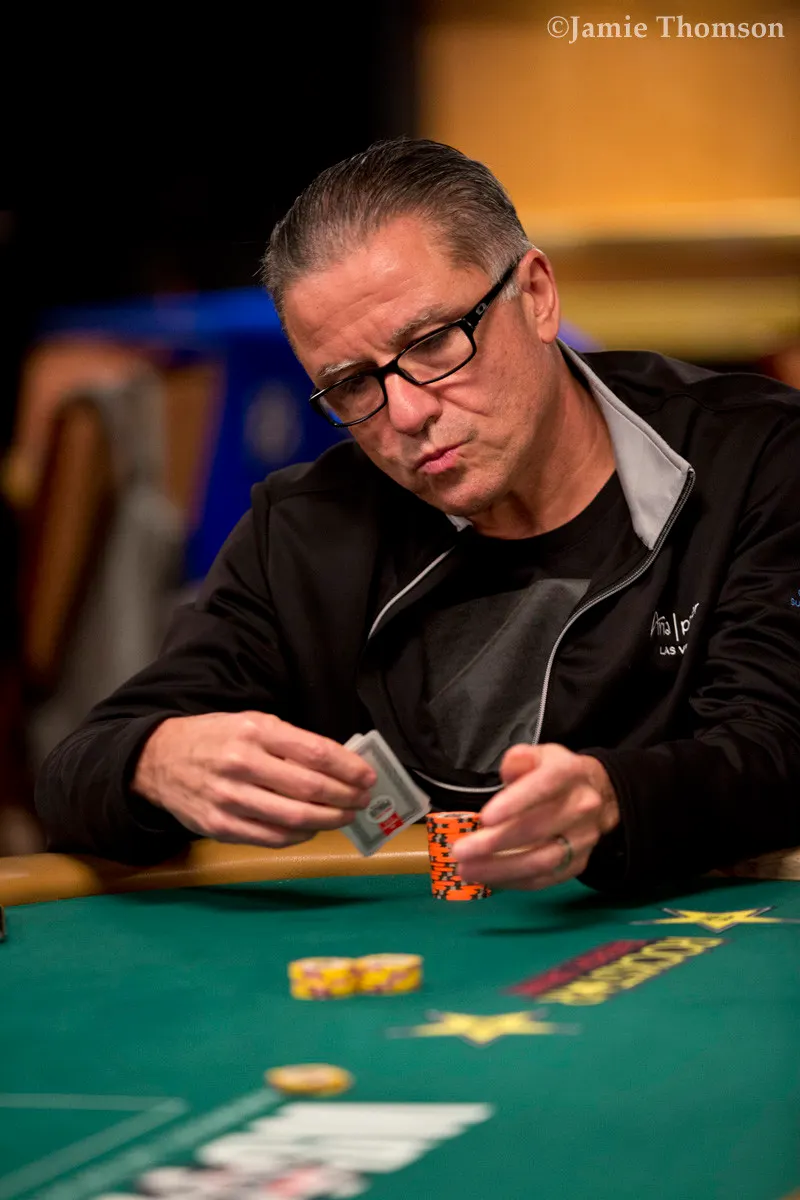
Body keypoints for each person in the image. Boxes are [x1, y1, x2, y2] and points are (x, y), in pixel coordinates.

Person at [35, 138, 800, 891]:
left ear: (536, 296)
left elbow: (777, 748)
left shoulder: (758, 460)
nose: (404, 414)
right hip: (406, 961)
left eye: (433, 343)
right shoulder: (304, 532)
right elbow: (73, 777)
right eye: (351, 385)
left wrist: (614, 799)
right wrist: (154, 763)